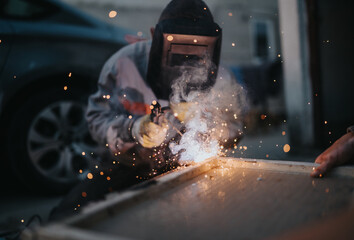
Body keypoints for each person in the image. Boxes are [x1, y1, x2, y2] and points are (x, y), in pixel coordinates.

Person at [50, 0, 245, 220]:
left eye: (197, 50)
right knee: (68, 216)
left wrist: (207, 130)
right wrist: (133, 129)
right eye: (178, 49)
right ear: (155, 36)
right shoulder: (123, 64)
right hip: (128, 163)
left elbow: (234, 128)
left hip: (189, 167)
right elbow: (97, 120)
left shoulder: (221, 78)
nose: (187, 61)